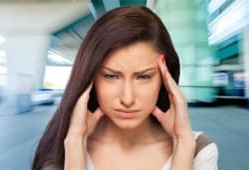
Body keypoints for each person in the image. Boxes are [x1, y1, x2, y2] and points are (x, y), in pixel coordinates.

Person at [32, 6, 218, 170]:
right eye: (111, 76)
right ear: (89, 77)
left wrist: (183, 145)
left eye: (144, 77)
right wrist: (75, 144)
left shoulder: (199, 151)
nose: (127, 99)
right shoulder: (62, 153)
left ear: (164, 78)